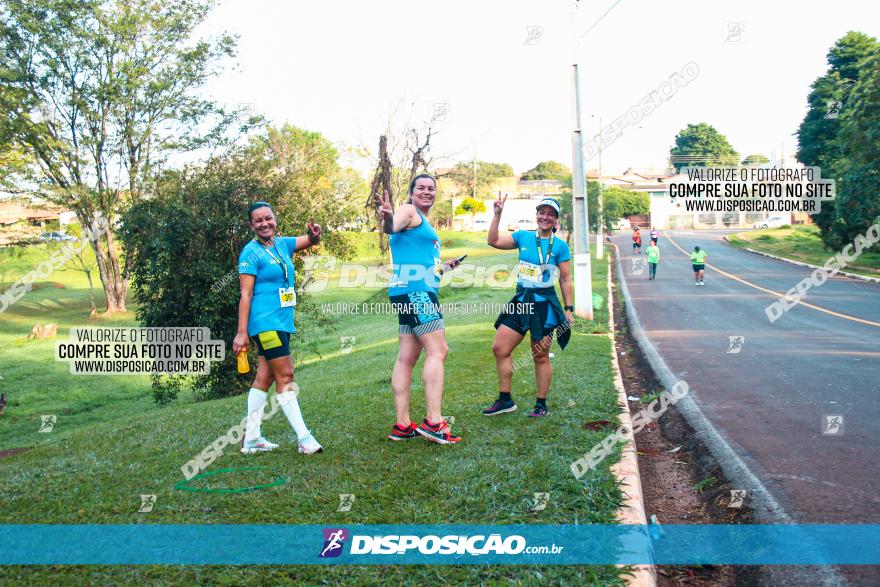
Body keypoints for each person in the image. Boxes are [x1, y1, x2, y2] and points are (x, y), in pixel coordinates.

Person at [232, 201, 324, 455]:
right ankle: (305, 439)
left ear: (275, 219)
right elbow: (245, 294)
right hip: (265, 323)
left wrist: (315, 236)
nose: (264, 224)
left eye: (268, 218)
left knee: (265, 377)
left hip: (281, 321)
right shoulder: (250, 254)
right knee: (286, 377)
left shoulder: (281, 244)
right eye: (258, 221)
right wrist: (242, 332)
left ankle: (251, 439)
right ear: (251, 225)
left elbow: (310, 240)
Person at [378, 174, 463, 444]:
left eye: (431, 188)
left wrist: (444, 268)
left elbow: (416, 257)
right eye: (421, 188)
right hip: (417, 292)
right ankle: (434, 422)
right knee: (438, 350)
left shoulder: (421, 220)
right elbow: (392, 227)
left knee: (406, 357)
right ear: (411, 193)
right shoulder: (409, 211)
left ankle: (403, 425)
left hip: (406, 290)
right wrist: (388, 218)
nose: (427, 192)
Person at [481, 196, 574, 418]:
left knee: (540, 355)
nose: (545, 217)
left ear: (556, 220)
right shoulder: (523, 237)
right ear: (537, 215)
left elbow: (565, 279)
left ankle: (541, 405)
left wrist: (569, 309)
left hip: (543, 304)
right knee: (500, 348)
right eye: (542, 212)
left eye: (550, 214)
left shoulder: (560, 246)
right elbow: (493, 241)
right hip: (522, 300)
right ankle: (505, 400)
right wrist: (497, 214)